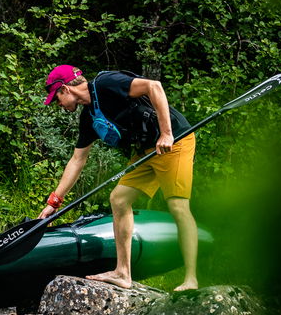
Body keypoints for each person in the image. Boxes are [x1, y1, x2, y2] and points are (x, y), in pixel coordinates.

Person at [39, 65, 198, 292]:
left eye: (56, 99)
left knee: (178, 205)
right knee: (119, 199)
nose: (58, 104)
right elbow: (77, 161)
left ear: (65, 89)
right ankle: (123, 273)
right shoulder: (90, 117)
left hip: (175, 142)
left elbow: (154, 86)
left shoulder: (106, 84)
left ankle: (191, 279)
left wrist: (166, 133)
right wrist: (53, 203)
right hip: (146, 151)